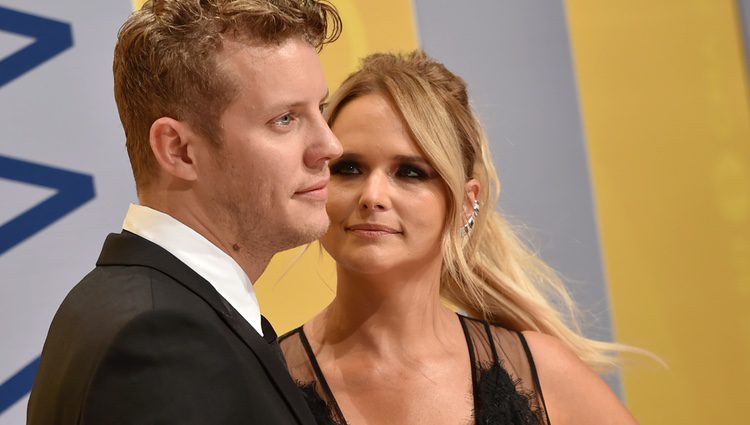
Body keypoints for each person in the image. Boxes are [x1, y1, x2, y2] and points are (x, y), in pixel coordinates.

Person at [279, 51, 639, 425]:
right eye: (348, 168)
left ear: (467, 203)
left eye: (410, 173)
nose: (373, 196)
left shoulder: (544, 377)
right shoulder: (263, 381)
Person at [27, 1, 341, 424]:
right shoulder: (160, 340)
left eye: (318, 110)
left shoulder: (154, 310)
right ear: (178, 150)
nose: (330, 147)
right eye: (284, 119)